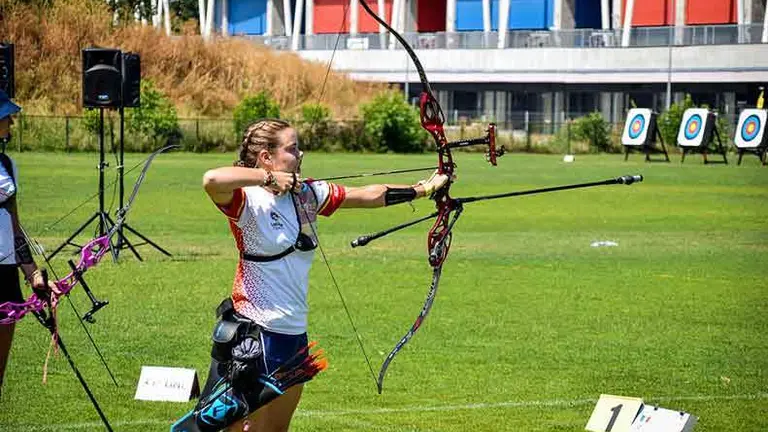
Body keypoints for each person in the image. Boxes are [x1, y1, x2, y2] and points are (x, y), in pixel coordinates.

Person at [199, 118, 449, 431]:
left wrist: (424, 189)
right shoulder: (247, 201)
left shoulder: (307, 194)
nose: (300, 154)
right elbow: (212, 179)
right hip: (255, 337)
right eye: (292, 149)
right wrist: (266, 178)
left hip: (293, 336)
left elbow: (367, 195)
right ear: (266, 157)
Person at [0, 90, 56, 397]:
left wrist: (32, 273)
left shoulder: (7, 165)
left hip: (6, 274)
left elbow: (14, 224)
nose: (10, 121)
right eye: (5, 115)